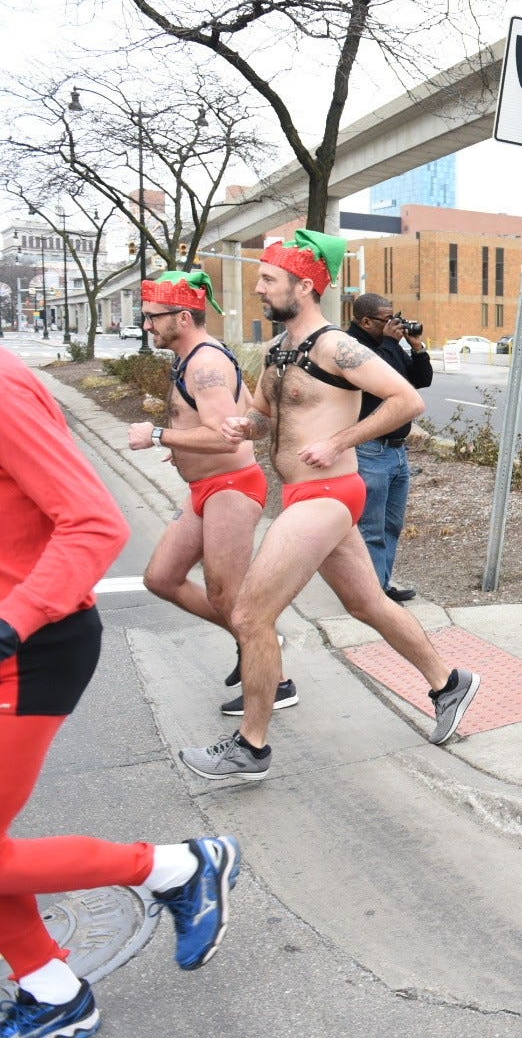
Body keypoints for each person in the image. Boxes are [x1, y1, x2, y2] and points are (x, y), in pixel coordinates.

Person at [177, 229, 481, 781]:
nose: (260, 289)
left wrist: (340, 441)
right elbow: (269, 415)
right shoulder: (280, 349)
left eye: (269, 280)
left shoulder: (337, 346)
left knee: (249, 614)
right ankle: (449, 682)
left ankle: (252, 745)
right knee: (367, 604)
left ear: (306, 285)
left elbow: (406, 399)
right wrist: (246, 423)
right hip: (302, 492)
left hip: (328, 493)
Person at [1, 345, 241, 1037]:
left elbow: (97, 522)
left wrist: (13, 621)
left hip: (32, 647)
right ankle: (52, 993)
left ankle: (179, 867)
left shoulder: (3, 387)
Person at [127, 271, 282, 716]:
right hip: (205, 488)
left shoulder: (206, 365)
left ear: (181, 316)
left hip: (231, 488)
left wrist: (158, 435)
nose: (147, 326)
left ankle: (275, 673)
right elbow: (206, 425)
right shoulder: (190, 357)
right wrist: (177, 444)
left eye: (153, 317)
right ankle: (256, 642)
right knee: (161, 577)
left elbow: (227, 437)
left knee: (226, 595)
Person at [348, 292, 433, 604]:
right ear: (367, 321)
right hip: (370, 449)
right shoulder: (352, 347)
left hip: (397, 449)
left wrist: (417, 347)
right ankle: (371, 594)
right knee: (371, 526)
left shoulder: (389, 345)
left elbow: (420, 380)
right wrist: (388, 342)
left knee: (391, 524)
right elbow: (375, 381)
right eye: (387, 318)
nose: (395, 323)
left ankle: (380, 584)